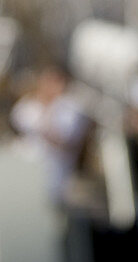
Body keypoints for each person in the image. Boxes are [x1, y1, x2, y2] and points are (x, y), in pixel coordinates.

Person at [10, 64, 88, 203]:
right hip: (25, 174)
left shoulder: (72, 108)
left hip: (55, 177)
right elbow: (19, 124)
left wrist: (50, 109)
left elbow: (63, 141)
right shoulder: (27, 105)